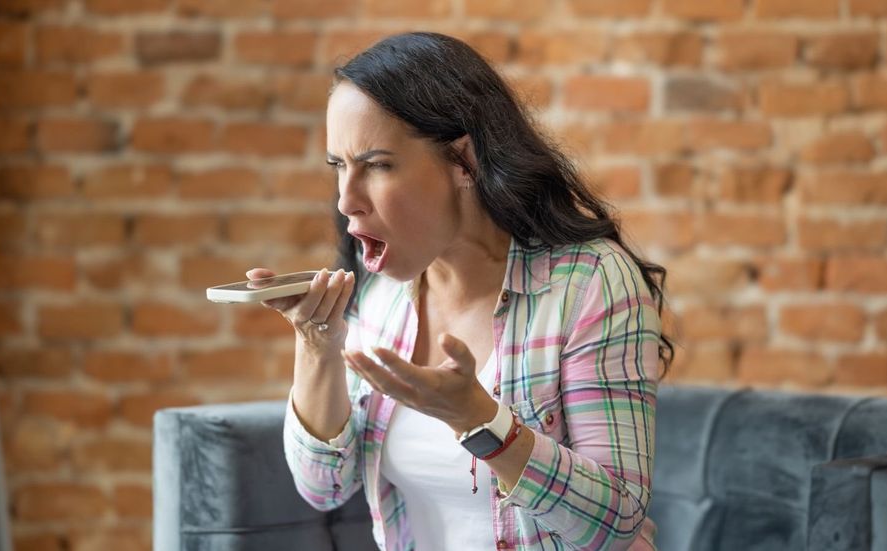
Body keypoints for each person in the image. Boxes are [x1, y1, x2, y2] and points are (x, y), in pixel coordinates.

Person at [246, 32, 673, 551]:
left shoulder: (588, 284)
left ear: (464, 161)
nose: (346, 200)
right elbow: (323, 488)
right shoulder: (379, 295)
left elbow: (617, 522)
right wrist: (317, 341)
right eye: (339, 166)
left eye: (378, 165)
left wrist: (478, 418)